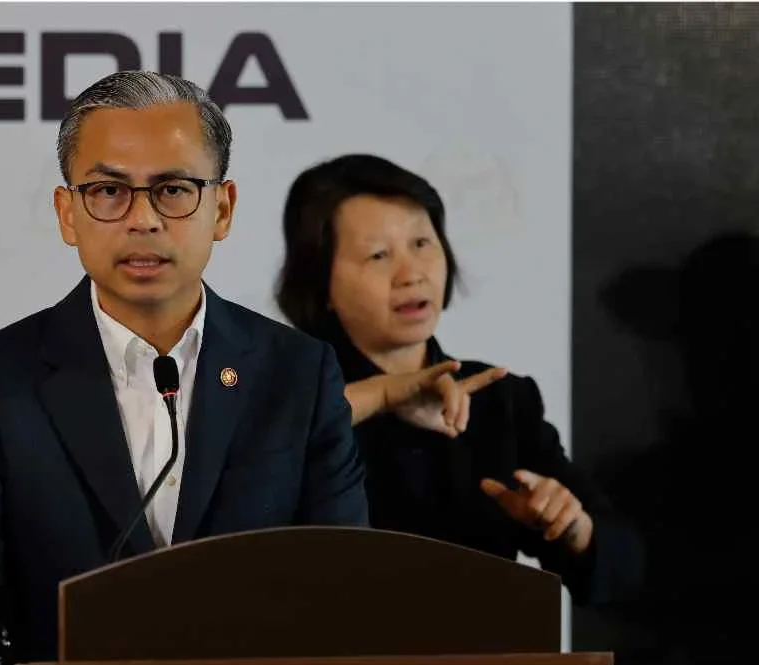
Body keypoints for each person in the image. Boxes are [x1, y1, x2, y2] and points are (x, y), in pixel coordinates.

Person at [0, 72, 369, 663]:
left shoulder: (298, 373)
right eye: (109, 192)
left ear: (222, 209)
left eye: (173, 189)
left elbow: (346, 584)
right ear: (68, 213)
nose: (143, 219)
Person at [275, 153, 643, 607]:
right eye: (378, 255)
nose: (412, 274)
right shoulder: (278, 397)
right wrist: (383, 396)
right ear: (318, 283)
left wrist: (570, 526)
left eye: (423, 243)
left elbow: (625, 567)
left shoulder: (500, 399)